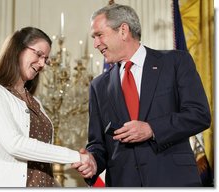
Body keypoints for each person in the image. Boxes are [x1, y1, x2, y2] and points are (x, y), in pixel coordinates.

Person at [72, 4, 211, 187]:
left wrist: (152, 129)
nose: (96, 44)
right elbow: (98, 144)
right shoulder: (99, 86)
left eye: (99, 35)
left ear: (123, 30)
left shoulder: (175, 62)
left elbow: (199, 115)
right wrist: (92, 162)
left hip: (173, 180)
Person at [0, 26, 92, 187]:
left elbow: (40, 167)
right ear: (18, 50)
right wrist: (75, 156)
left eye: (46, 59)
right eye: (39, 54)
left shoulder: (36, 103)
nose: (42, 64)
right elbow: (15, 145)